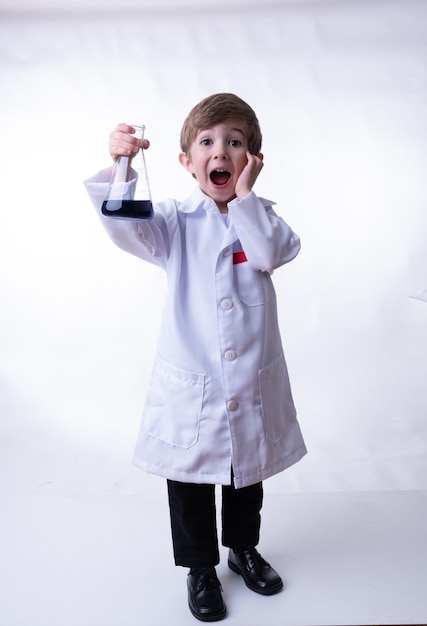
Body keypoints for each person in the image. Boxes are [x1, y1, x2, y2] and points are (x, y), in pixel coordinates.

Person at [84, 93, 307, 622]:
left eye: (234, 143)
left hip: (250, 377)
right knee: (187, 479)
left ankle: (242, 548)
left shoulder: (265, 221)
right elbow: (122, 225)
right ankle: (200, 568)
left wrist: (247, 198)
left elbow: (272, 254)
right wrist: (121, 163)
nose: (220, 152)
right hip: (193, 381)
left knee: (245, 471)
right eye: (207, 143)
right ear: (187, 162)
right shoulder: (173, 222)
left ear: (251, 159)